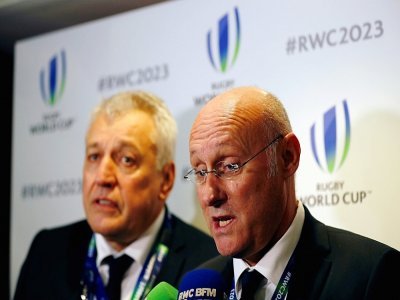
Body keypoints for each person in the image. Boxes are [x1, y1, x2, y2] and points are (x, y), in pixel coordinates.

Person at [184, 86, 400, 299]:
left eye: (230, 166)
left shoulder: (373, 275)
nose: (209, 195)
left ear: (287, 157)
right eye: (200, 171)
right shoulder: (195, 290)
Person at [14, 91, 218, 300]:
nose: (102, 177)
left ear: (165, 180)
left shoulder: (209, 266)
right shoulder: (46, 252)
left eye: (127, 160)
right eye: (94, 156)